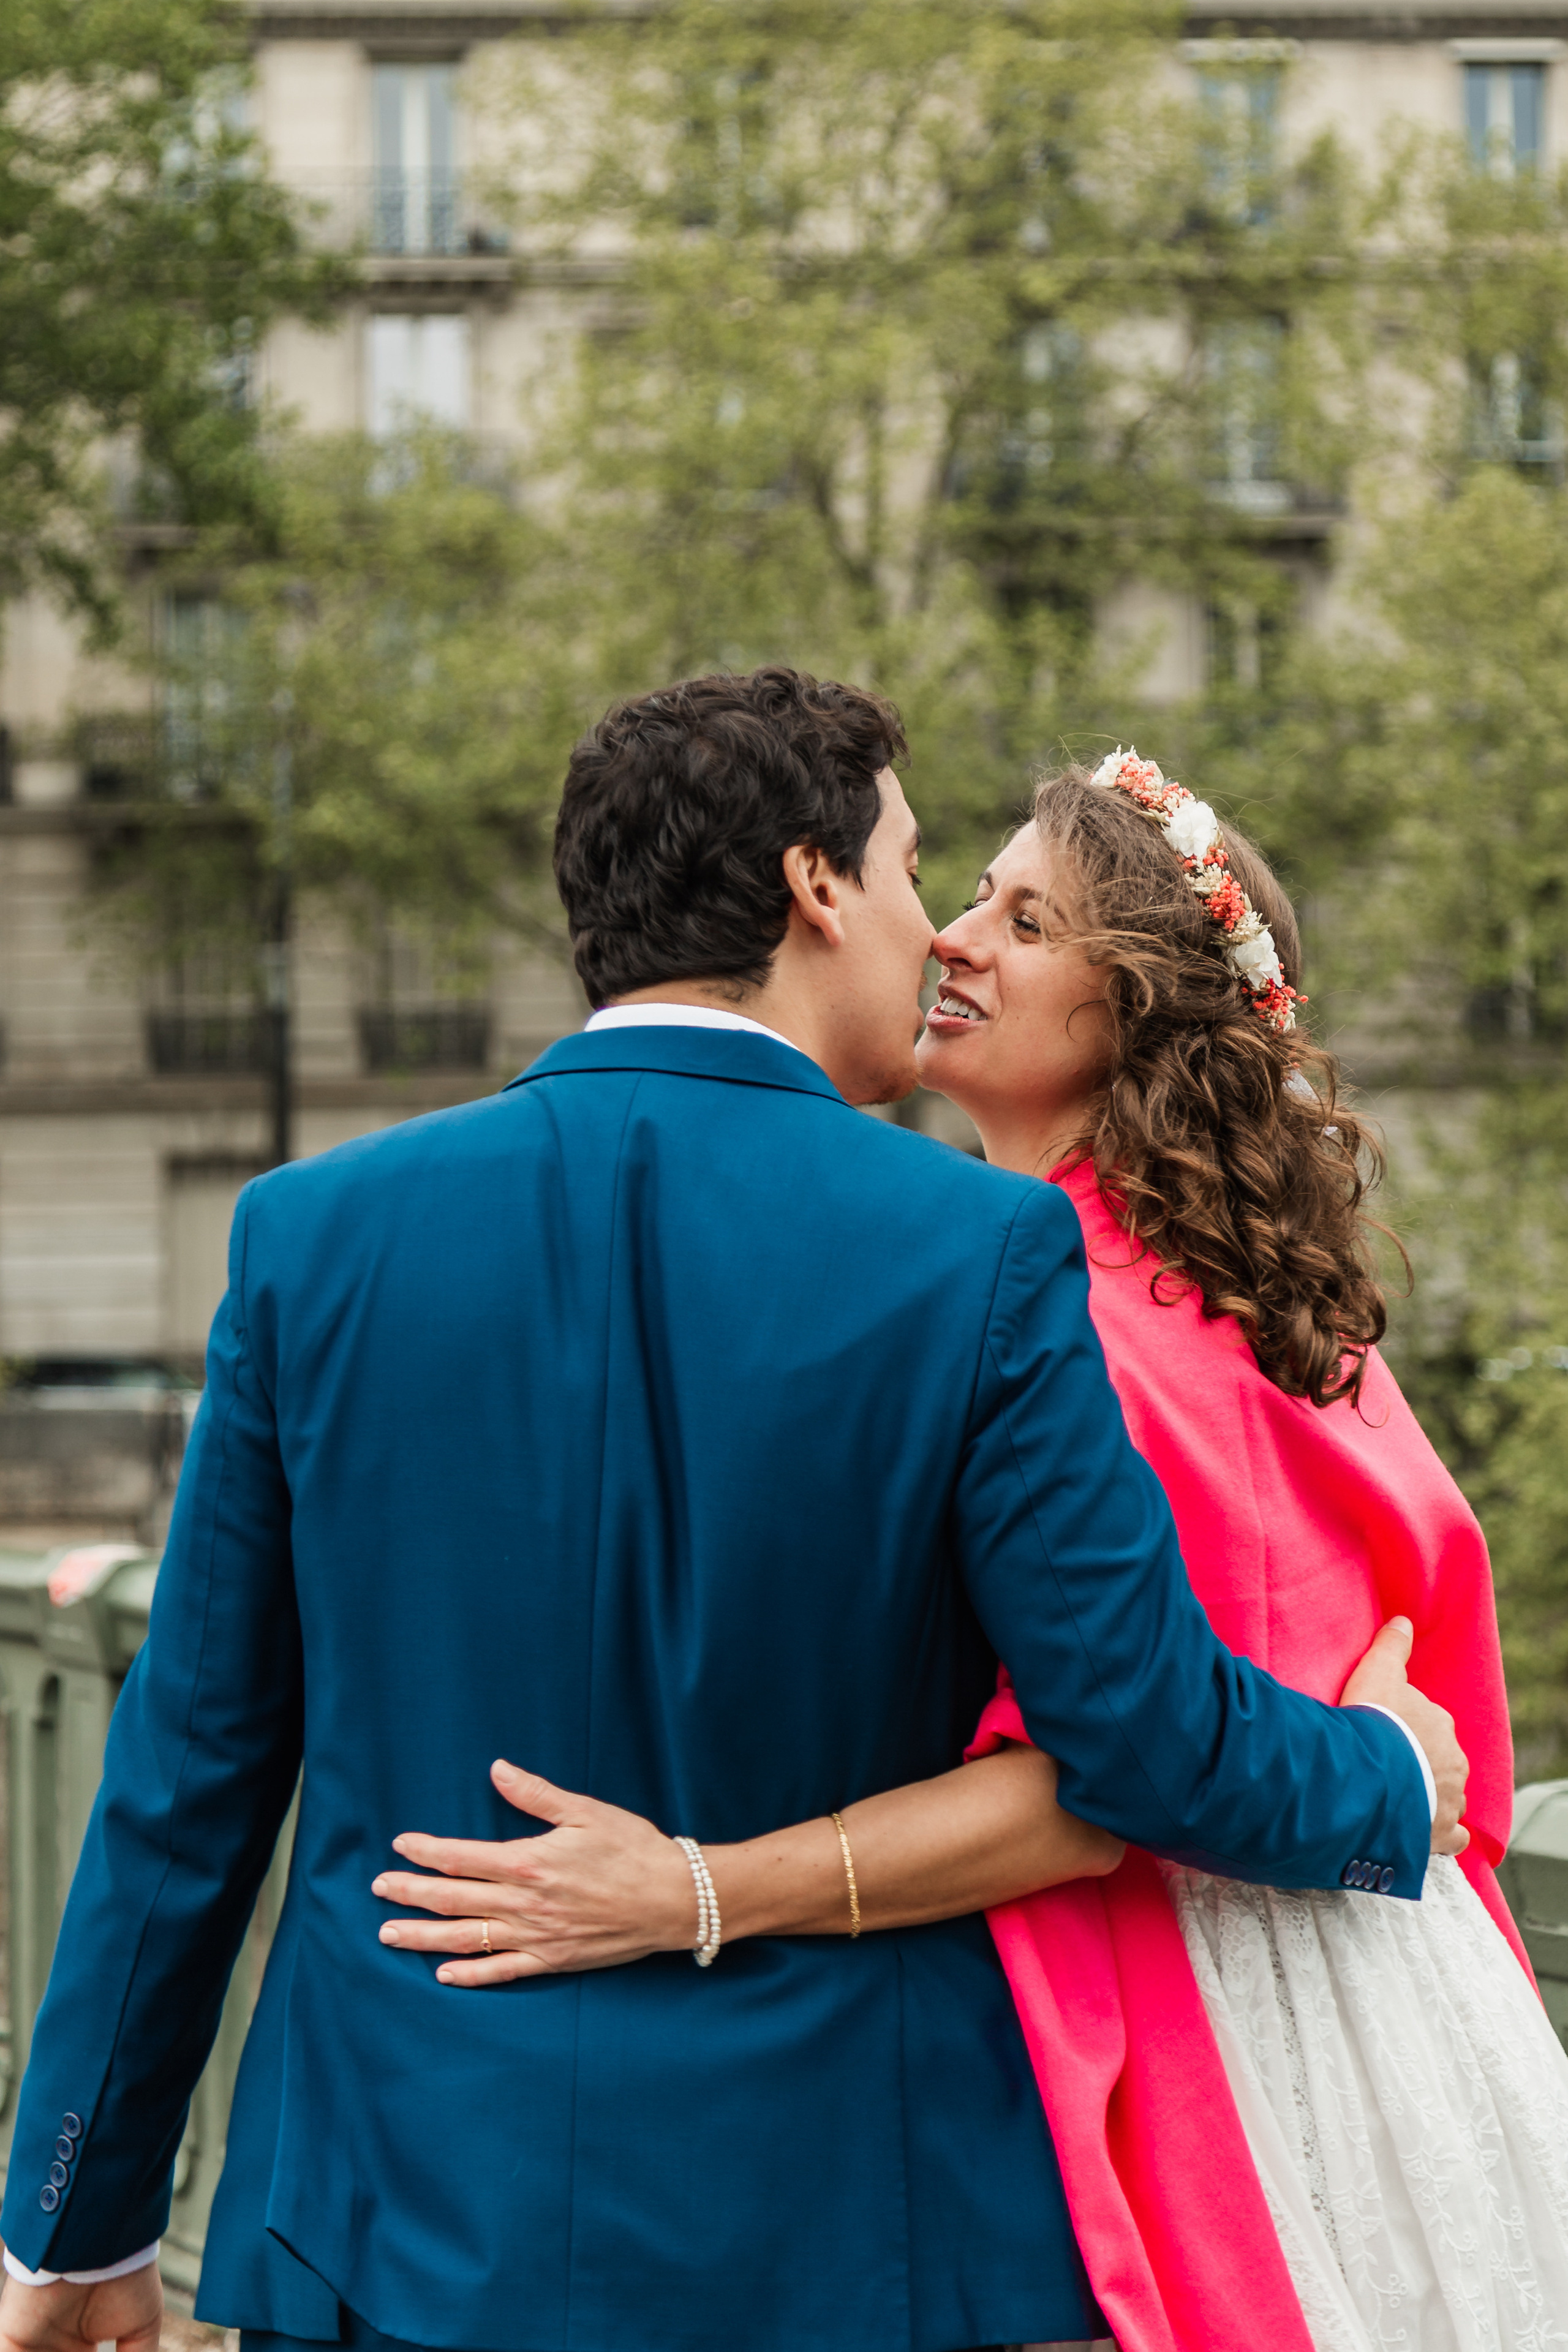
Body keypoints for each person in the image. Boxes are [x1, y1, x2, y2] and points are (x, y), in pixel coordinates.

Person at [0, 676, 1462, 2352]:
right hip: (844, 2243)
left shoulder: (311, 1237)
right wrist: (1384, 1780)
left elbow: (189, 1782)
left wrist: (73, 2223)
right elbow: (1136, 1737)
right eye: (912, 868)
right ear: (814, 885)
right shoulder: (980, 1255)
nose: (931, 928)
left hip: (389, 2228)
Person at [395, 745, 1568, 2350]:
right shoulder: (1262, 1303)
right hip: (1399, 1997)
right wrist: (1389, 1776)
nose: (951, 936)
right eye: (966, 892)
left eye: (1025, 921)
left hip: (1205, 2036)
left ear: (1132, 1010)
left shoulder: (1071, 1312)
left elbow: (1094, 1789)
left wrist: (690, 1893)